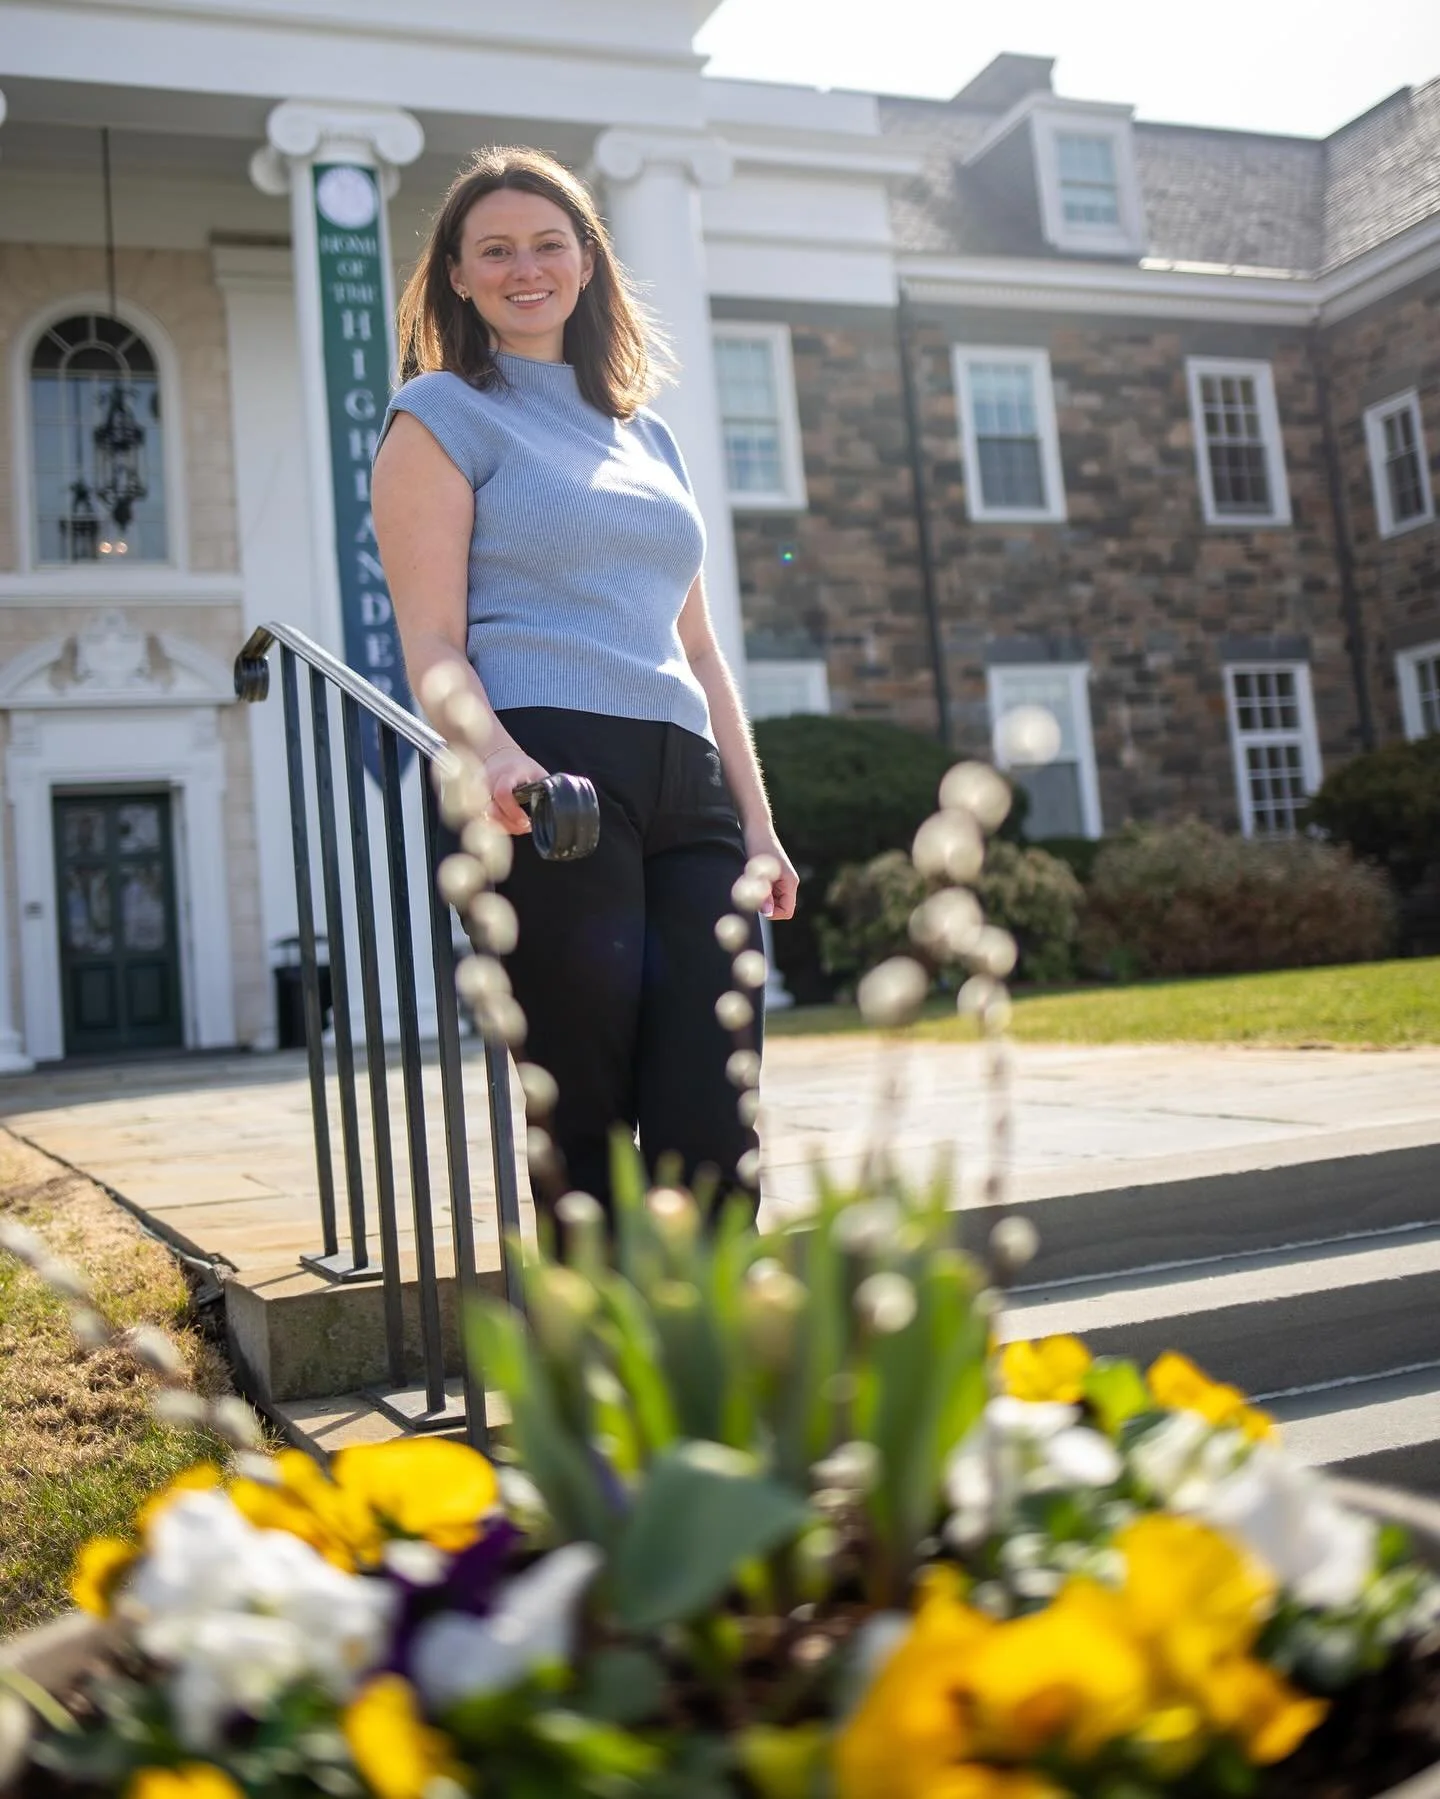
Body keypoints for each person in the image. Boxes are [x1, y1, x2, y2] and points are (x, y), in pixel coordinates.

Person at [372, 145, 798, 1226]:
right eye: (496, 250)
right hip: (549, 776)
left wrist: (758, 823)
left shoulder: (647, 433)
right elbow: (430, 639)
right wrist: (498, 752)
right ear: (458, 277)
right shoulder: (440, 414)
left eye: (549, 244)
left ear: (588, 262)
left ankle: (707, 1364)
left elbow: (700, 651)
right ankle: (601, 1374)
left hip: (683, 781)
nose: (526, 268)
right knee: (585, 1106)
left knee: (716, 1103)